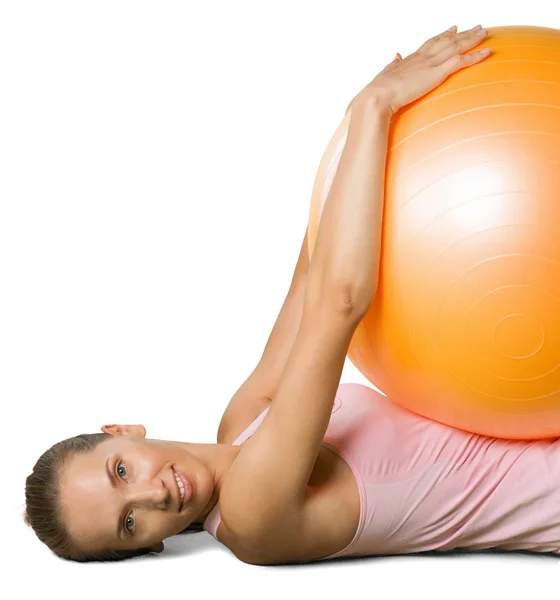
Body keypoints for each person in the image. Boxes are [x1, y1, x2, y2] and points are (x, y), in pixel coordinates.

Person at [24, 23, 560, 564]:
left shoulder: (241, 422)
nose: (152, 492)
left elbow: (310, 272)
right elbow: (339, 302)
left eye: (121, 471)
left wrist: (367, 128)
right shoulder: (253, 520)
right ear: (150, 545)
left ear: (122, 430)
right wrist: (373, 107)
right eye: (129, 522)